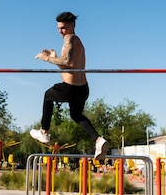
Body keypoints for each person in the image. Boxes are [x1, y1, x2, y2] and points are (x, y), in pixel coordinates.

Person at [30, 11, 109, 161]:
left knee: (48, 96)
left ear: (72, 26)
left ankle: (44, 132)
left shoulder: (70, 38)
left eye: (63, 28)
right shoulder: (77, 42)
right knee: (76, 115)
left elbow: (67, 62)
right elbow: (68, 66)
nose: (60, 32)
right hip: (82, 89)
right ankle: (99, 140)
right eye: (59, 28)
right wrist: (54, 57)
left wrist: (46, 58)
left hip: (70, 88)